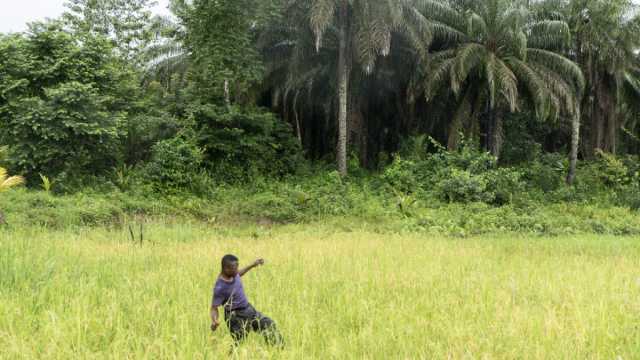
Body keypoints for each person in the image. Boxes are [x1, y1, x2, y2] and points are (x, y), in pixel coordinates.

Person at [210, 254, 284, 347]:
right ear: (226, 269)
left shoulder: (233, 274)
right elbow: (214, 307)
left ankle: (278, 351)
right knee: (239, 343)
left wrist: (253, 265)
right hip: (236, 317)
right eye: (234, 268)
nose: (237, 270)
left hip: (249, 309)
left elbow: (239, 273)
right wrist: (214, 320)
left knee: (268, 325)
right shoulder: (220, 287)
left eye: (237, 267)